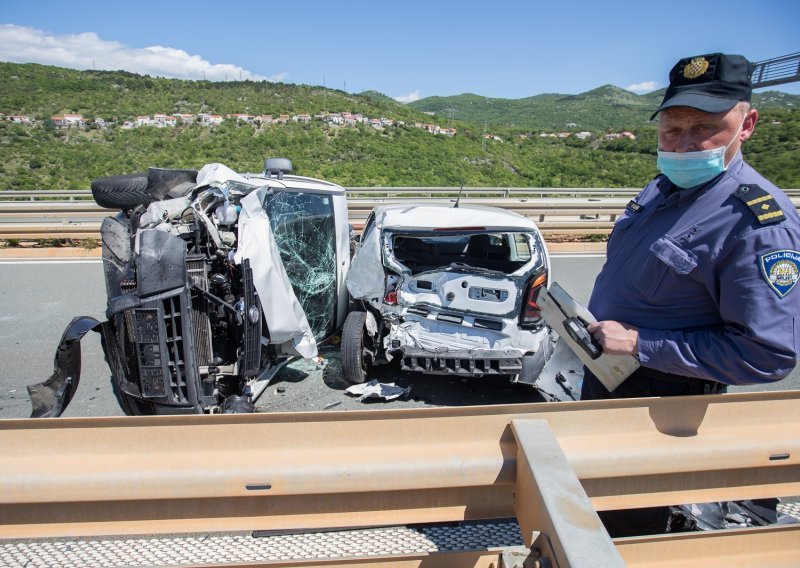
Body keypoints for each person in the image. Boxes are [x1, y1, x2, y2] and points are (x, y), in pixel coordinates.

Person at [582, 53, 800, 536]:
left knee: (635, 533)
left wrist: (640, 343)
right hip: (608, 386)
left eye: (703, 128)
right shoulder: (663, 188)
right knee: (594, 516)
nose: (683, 144)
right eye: (671, 130)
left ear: (747, 125)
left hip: (663, 408)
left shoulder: (756, 223)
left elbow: (767, 354)